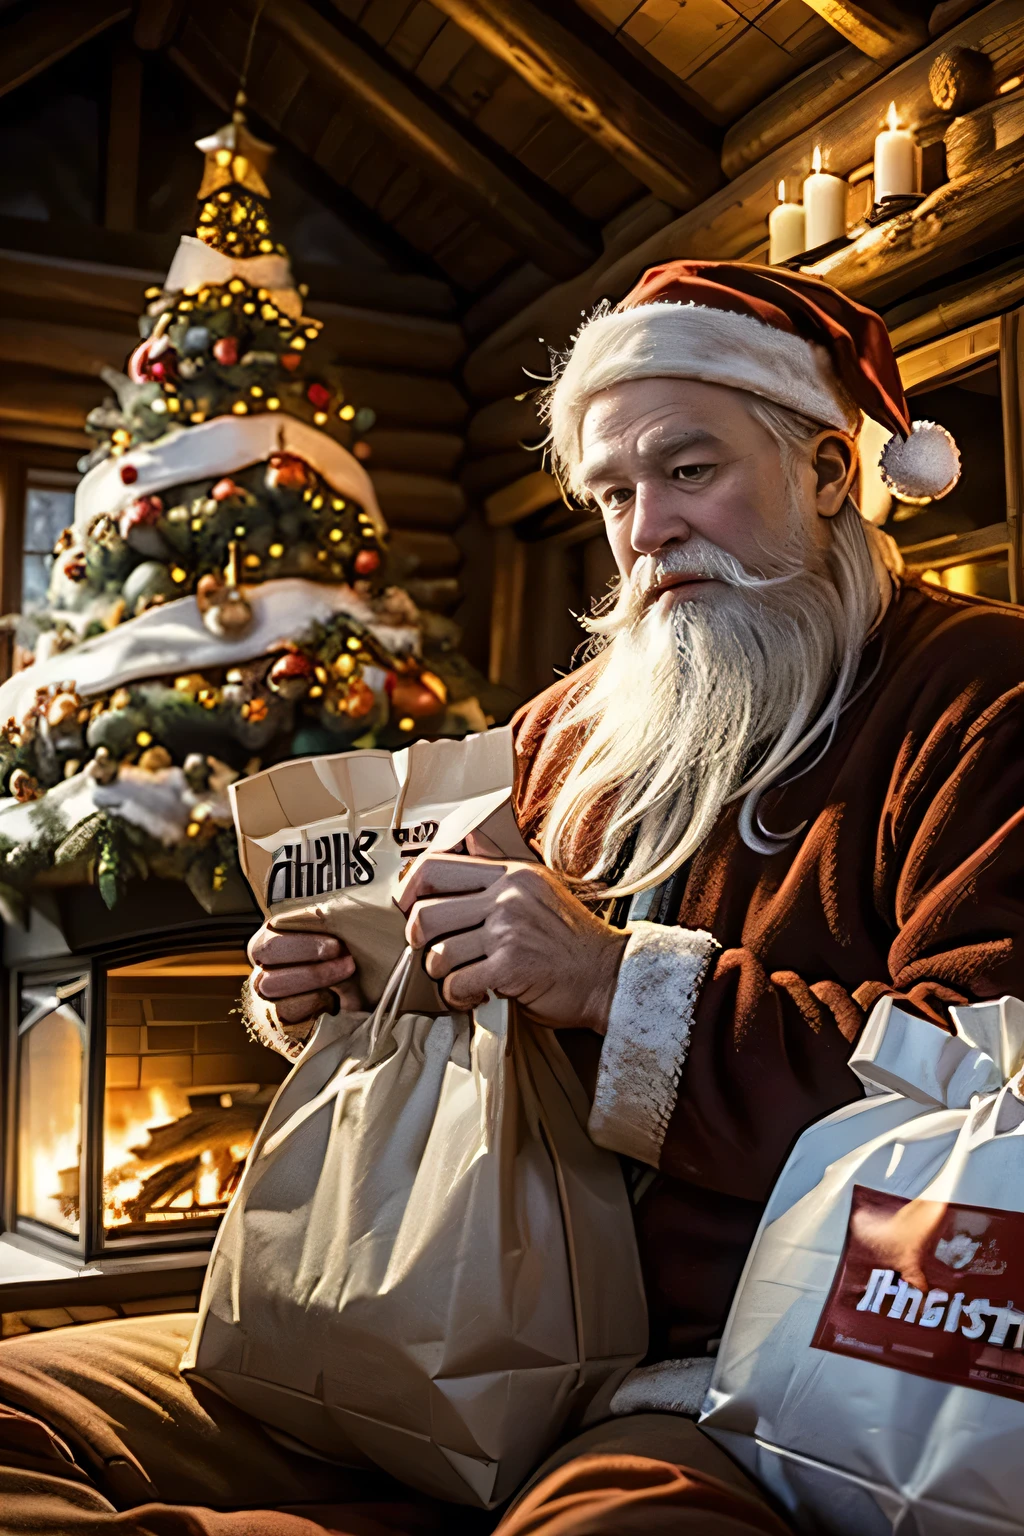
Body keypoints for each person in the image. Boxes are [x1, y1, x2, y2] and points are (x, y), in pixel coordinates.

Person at [4, 261, 1023, 1535]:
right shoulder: (562, 731)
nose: (645, 527)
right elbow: (461, 1008)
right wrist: (349, 983)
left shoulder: (982, 695)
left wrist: (611, 982)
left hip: (716, 1374)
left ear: (828, 471)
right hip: (438, 1307)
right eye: (612, 492)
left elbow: (980, 1097)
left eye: (687, 470)